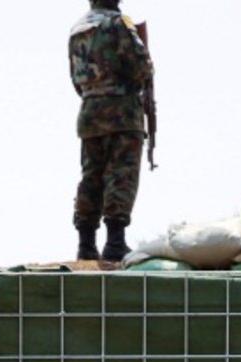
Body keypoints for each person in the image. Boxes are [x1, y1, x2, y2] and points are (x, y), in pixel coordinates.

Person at [69, 0, 154, 262]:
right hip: (121, 112)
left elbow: (76, 78)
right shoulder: (119, 24)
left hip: (90, 112)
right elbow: (141, 67)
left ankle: (86, 245)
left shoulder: (77, 30)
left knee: (91, 176)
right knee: (121, 174)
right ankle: (115, 242)